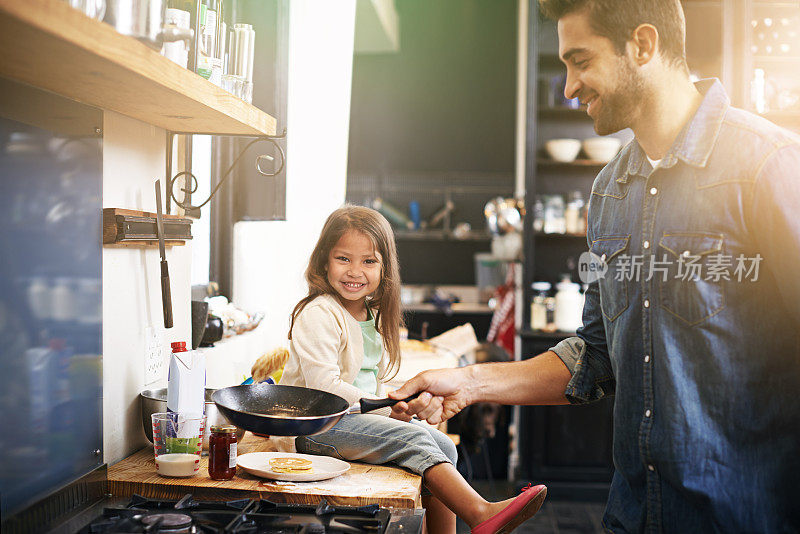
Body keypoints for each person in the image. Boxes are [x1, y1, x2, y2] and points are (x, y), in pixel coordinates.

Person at [390, 1, 800, 532]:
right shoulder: (609, 192)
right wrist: (468, 383)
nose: (567, 87)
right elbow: (596, 354)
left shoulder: (768, 166)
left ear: (644, 45)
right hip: (634, 517)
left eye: (580, 60)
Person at [277, 205, 547, 534]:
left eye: (369, 261)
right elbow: (326, 390)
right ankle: (479, 512)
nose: (355, 271)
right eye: (343, 258)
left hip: (352, 420)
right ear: (324, 260)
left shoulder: (370, 315)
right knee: (418, 441)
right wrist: (388, 407)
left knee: (446, 446)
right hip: (313, 429)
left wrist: (399, 405)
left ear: (384, 267)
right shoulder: (319, 313)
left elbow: (372, 381)